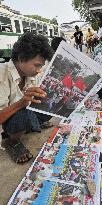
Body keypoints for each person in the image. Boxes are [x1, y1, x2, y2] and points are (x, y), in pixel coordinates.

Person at [0, 32, 54, 163]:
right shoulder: (2, 74)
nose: (39, 70)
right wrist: (21, 103)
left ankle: (27, 127)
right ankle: (13, 141)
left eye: (40, 66)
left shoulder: (28, 74)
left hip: (21, 113)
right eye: (37, 65)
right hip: (7, 122)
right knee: (23, 115)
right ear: (21, 58)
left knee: (49, 106)